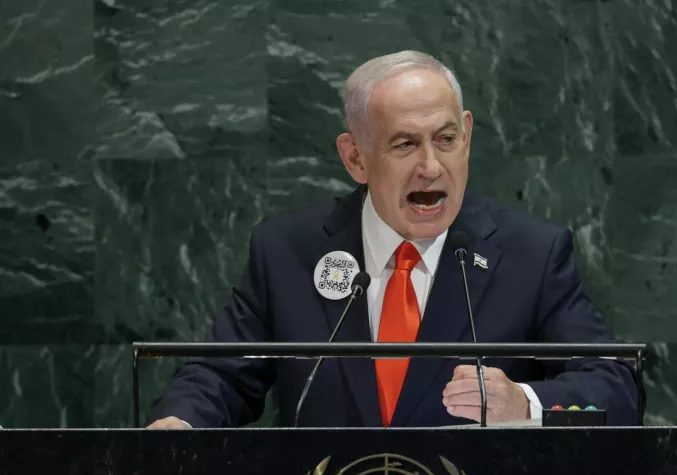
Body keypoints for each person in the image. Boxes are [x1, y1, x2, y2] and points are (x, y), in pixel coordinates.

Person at [146, 50, 639, 429]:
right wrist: (181, 422)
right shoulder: (288, 251)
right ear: (355, 157)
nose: (431, 166)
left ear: (467, 136)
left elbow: (615, 386)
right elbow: (219, 375)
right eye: (405, 144)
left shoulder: (531, 256)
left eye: (446, 140)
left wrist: (524, 402)